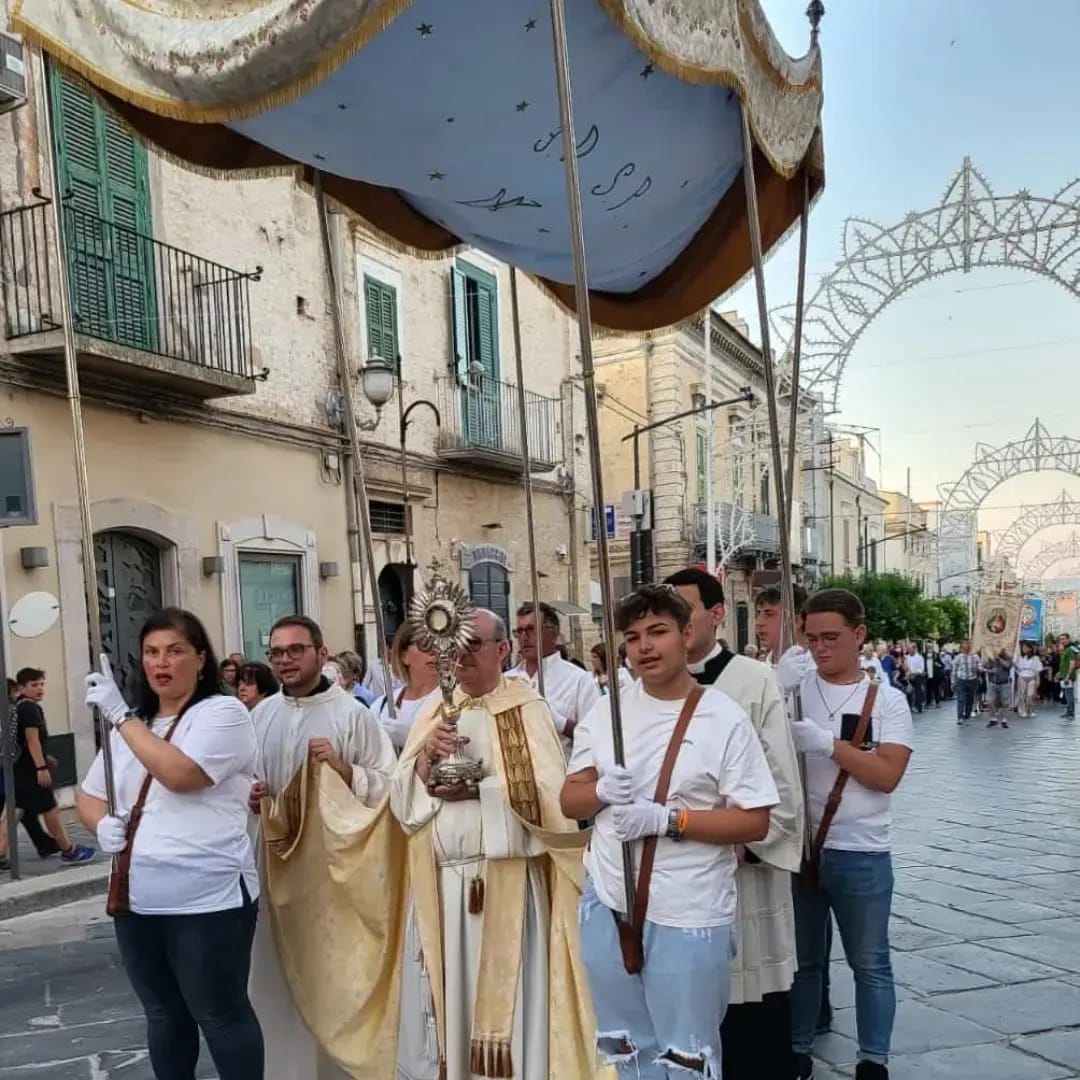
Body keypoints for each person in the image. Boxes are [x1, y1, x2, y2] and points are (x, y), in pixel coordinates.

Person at [562, 584, 778, 1079]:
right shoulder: (607, 711)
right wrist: (599, 794)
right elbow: (570, 797)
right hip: (608, 900)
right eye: (633, 636)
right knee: (626, 1050)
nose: (644, 646)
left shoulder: (723, 718)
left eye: (657, 632)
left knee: (687, 1055)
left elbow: (755, 820)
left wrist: (669, 820)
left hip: (689, 909)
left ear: (686, 635)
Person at [392, 609, 598, 1079]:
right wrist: (426, 759)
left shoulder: (526, 708)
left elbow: (553, 802)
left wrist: (479, 792)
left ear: (502, 650)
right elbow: (402, 801)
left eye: (472, 645)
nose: (459, 656)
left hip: (507, 887)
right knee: (449, 1011)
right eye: (451, 647)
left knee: (514, 1015)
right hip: (443, 889)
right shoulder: (435, 711)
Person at [80, 609, 263, 1080]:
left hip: (208, 899)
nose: (162, 662)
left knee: (221, 1015)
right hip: (137, 899)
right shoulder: (134, 725)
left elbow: (181, 775)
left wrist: (120, 716)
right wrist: (101, 826)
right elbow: (89, 795)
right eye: (151, 652)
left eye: (175, 651)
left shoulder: (223, 713)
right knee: (163, 1016)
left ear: (201, 659)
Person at [665, 568, 803, 1080]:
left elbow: (782, 779)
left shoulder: (752, 679)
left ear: (718, 613)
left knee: (748, 1013)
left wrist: (744, 841)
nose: (674, 625)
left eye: (685, 610)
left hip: (740, 869)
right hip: (673, 878)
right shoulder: (649, 683)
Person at [248, 615, 397, 1080]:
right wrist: (249, 794)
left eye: (296, 650)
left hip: (331, 876)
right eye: (276, 652)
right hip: (272, 866)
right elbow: (240, 780)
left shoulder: (352, 715)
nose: (285, 660)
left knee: (329, 979)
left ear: (321, 653)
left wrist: (344, 771)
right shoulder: (261, 715)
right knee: (271, 977)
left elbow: (389, 787)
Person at [788, 589, 913, 1080]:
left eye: (832, 638)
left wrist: (828, 745)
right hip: (804, 849)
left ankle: (873, 1060)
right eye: (812, 637)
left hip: (862, 850)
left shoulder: (887, 701)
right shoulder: (795, 691)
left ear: (858, 636)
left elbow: (886, 775)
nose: (820, 648)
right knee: (803, 964)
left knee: (870, 963)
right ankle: (797, 1049)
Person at [10, 668, 94, 864]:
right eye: (34, 685)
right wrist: (41, 767)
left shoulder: (18, 706)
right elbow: (32, 740)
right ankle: (69, 850)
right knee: (51, 810)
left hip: (20, 767)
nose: (40, 689)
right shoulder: (30, 708)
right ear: (22, 687)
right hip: (31, 770)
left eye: (41, 684)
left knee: (13, 812)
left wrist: (45, 759)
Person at [510, 600, 599, 754]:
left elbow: (596, 738)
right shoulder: (507, 680)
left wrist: (559, 722)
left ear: (554, 633)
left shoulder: (579, 680)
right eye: (519, 631)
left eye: (531, 630)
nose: (524, 637)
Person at [371, 621, 441, 753]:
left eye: (440, 645)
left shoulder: (454, 702)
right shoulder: (381, 706)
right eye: (426, 645)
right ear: (404, 656)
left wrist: (413, 737)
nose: (435, 652)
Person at [952, 641, 981, 726]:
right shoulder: (958, 658)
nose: (965, 650)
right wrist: (953, 682)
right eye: (964, 648)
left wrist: (978, 668)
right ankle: (960, 717)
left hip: (972, 680)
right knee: (961, 698)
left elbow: (980, 665)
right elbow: (954, 670)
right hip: (961, 680)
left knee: (970, 698)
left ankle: (967, 714)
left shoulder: (975, 657)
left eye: (967, 648)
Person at [985, 649, 1013, 729]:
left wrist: (999, 658)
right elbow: (986, 666)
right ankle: (993, 718)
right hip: (993, 682)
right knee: (990, 701)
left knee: (1005, 702)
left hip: (1004, 682)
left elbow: (1007, 666)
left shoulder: (1008, 657)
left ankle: (1004, 720)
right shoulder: (991, 656)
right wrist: (989, 669)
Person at [1015, 644, 1041, 718]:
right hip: (1022, 676)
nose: (1024, 649)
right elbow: (1017, 667)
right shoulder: (1021, 657)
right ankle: (1023, 710)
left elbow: (1038, 670)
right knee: (1022, 694)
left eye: (1026, 647)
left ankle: (1031, 709)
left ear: (1030, 648)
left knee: (1030, 695)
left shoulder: (1036, 658)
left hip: (1032, 677)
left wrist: (1038, 680)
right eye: (1023, 647)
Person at [1057, 634, 1078, 719]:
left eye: (1064, 639)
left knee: (1069, 695)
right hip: (1064, 675)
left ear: (1068, 639)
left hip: (1068, 676)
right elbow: (1063, 664)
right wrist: (1059, 674)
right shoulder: (1065, 650)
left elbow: (1072, 663)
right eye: (1061, 639)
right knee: (1067, 694)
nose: (1062, 641)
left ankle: (1071, 713)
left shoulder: (1070, 650)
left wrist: (1068, 676)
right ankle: (1069, 712)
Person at [904, 644, 926, 714]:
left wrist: (913, 673)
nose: (909, 651)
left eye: (910, 649)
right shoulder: (907, 658)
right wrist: (907, 672)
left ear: (914, 649)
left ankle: (919, 707)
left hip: (917, 676)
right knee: (908, 692)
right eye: (908, 649)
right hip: (909, 676)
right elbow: (906, 667)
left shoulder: (920, 657)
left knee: (918, 692)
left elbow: (921, 669)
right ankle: (910, 706)